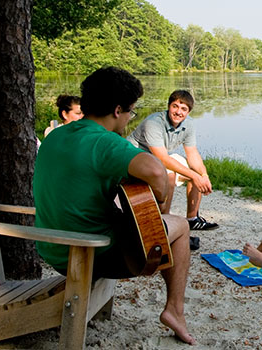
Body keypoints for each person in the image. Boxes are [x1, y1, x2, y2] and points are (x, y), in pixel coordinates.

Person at [33, 67, 196, 345]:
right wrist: (157, 200)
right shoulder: (106, 142)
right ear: (117, 110)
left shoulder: (56, 136)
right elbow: (158, 173)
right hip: (90, 252)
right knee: (180, 226)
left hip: (50, 246)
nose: (130, 119)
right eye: (131, 112)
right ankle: (174, 311)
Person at [127, 90, 217, 232]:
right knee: (169, 174)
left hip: (154, 158)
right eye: (175, 106)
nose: (178, 112)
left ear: (188, 112)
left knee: (195, 171)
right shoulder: (153, 123)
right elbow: (162, 158)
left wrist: (203, 175)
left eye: (183, 109)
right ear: (168, 106)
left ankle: (192, 220)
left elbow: (192, 153)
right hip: (135, 159)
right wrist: (194, 176)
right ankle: (164, 221)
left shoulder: (189, 125)